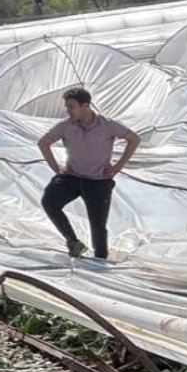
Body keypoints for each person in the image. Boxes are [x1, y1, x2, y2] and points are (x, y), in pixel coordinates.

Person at [38, 87, 142, 260]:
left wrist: (118, 166)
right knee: (49, 202)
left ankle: (100, 260)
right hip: (72, 176)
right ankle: (73, 241)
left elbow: (134, 139)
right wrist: (57, 169)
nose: (68, 110)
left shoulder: (107, 125)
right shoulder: (66, 126)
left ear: (85, 106)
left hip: (98, 180)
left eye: (72, 106)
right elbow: (44, 142)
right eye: (67, 107)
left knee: (98, 225)